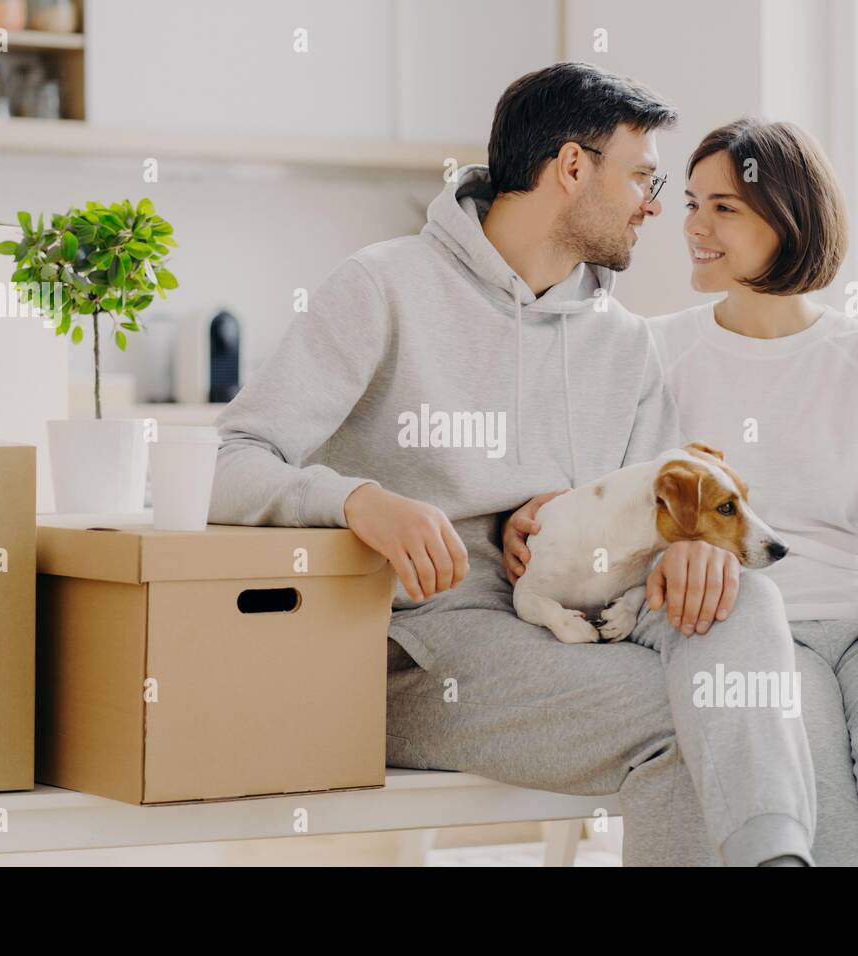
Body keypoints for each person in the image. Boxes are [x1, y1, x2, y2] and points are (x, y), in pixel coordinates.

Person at [208, 63, 818, 866]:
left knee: (753, 615)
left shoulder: (623, 344)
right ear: (572, 167)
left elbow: (657, 525)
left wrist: (690, 552)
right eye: (642, 176)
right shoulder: (382, 288)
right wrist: (362, 502)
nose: (656, 204)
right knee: (697, 717)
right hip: (418, 649)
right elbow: (231, 466)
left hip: (587, 625)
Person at [506, 118, 858, 866]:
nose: (693, 225)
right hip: (735, 627)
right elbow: (596, 489)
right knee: (825, 829)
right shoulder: (654, 348)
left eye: (723, 207)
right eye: (691, 201)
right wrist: (527, 513)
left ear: (789, 218)